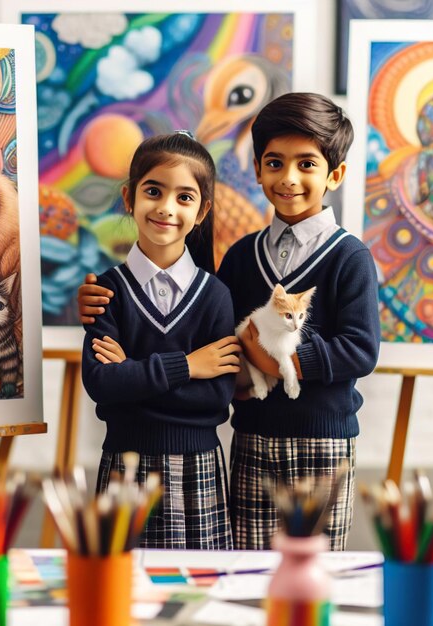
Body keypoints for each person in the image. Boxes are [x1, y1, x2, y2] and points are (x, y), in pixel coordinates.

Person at [79, 93, 381, 551]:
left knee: (311, 567)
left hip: (323, 441)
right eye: (275, 162)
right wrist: (195, 366)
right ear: (258, 169)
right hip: (251, 439)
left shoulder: (349, 256)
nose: (289, 178)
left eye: (307, 165)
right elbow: (212, 351)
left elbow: (359, 350)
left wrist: (270, 356)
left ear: (335, 175)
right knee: (245, 576)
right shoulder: (241, 257)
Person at [81, 131, 241, 550]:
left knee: (200, 596)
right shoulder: (106, 292)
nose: (167, 208)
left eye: (185, 197)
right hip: (126, 467)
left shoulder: (215, 295)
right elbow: (102, 385)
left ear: (202, 210)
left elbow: (216, 397)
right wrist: (187, 366)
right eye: (154, 191)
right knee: (122, 594)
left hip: (199, 467)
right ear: (130, 197)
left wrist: (133, 375)